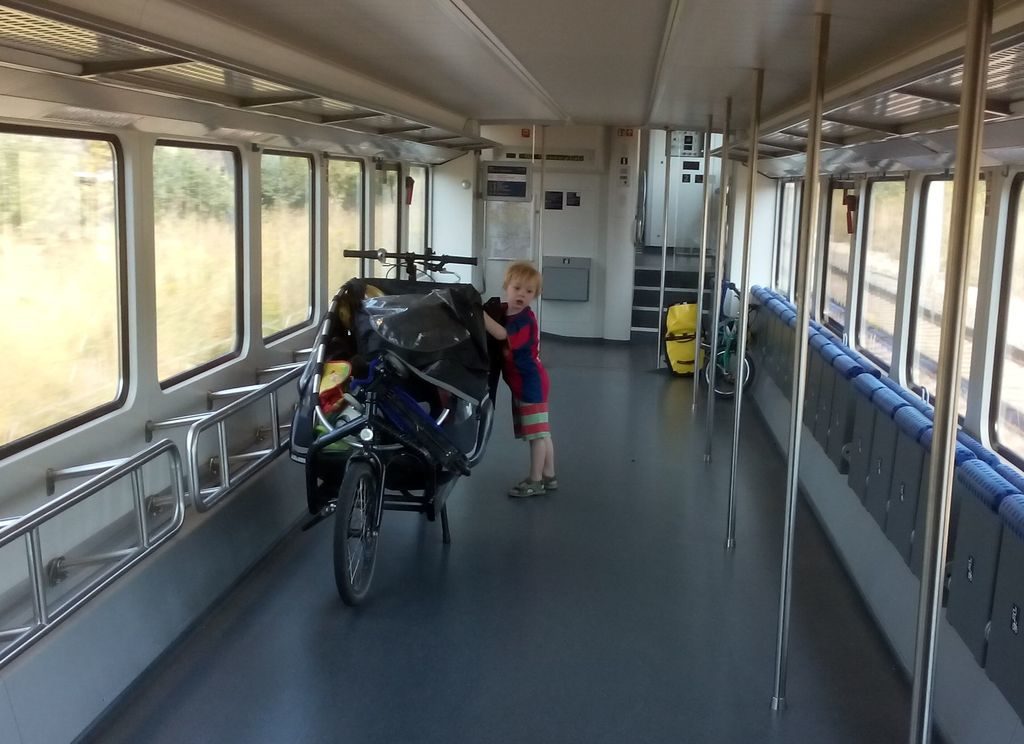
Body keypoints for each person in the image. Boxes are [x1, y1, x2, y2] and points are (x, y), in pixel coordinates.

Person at [482, 261, 557, 498]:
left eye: (529, 291)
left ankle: (535, 481)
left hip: (530, 383)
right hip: (525, 382)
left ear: (535, 295)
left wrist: (478, 314)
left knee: (536, 435)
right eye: (517, 288)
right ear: (506, 287)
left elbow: (501, 334)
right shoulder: (507, 311)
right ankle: (549, 475)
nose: (521, 295)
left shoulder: (524, 320)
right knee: (543, 432)